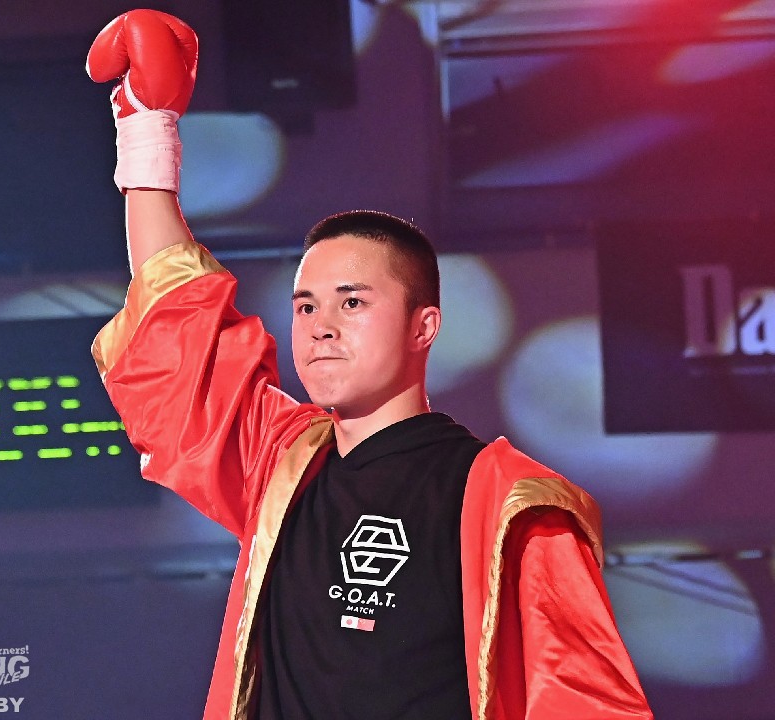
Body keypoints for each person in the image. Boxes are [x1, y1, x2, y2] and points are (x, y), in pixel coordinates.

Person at [86, 9, 653, 720]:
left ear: (425, 326)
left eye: (352, 302)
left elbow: (586, 704)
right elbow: (182, 334)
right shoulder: (281, 465)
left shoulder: (511, 506)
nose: (321, 326)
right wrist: (146, 130)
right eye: (305, 306)